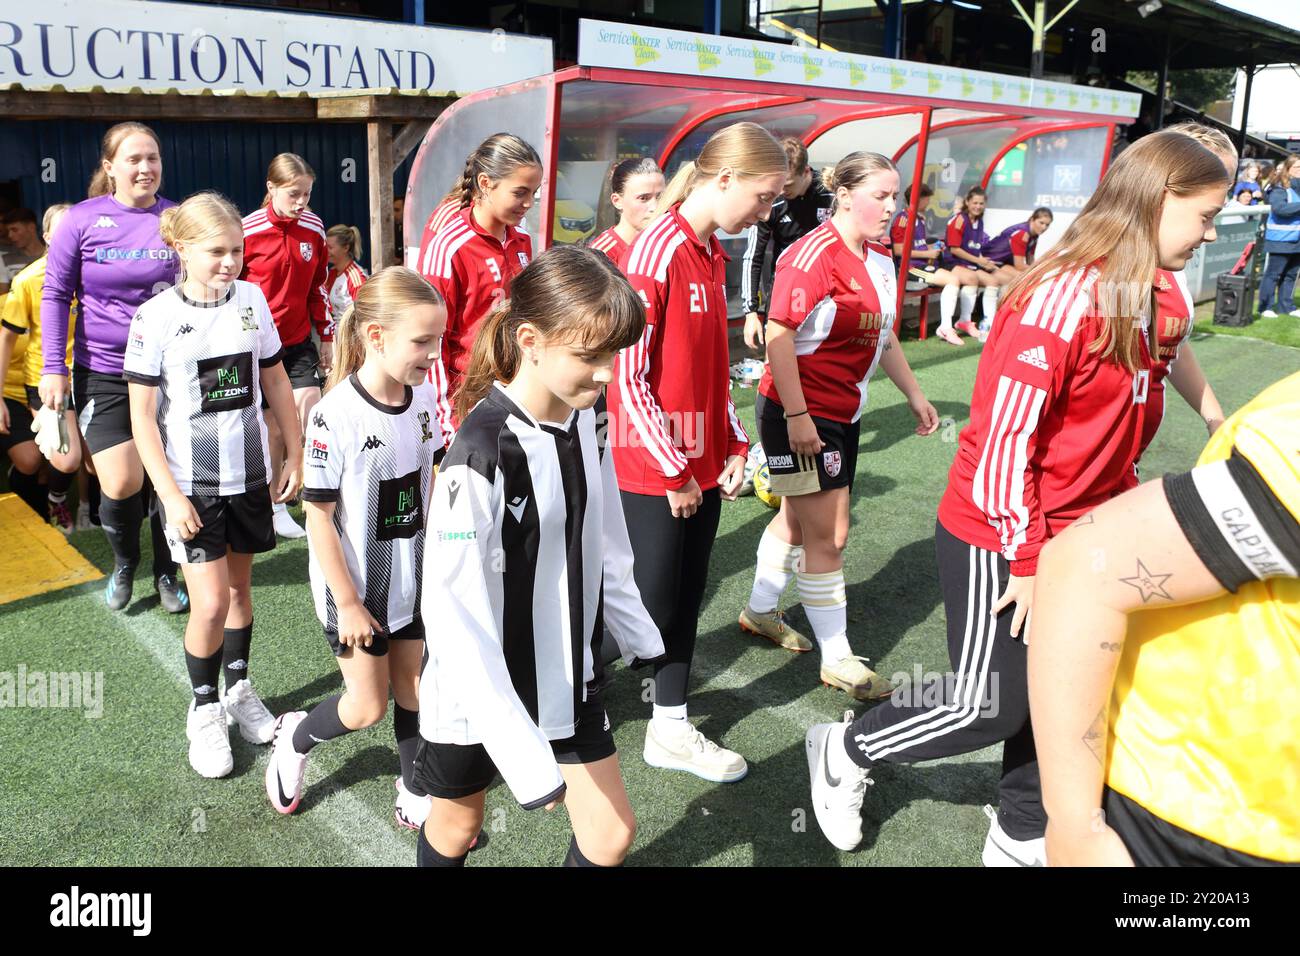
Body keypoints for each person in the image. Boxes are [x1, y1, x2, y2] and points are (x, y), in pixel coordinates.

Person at [803, 131, 1231, 861]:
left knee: (1065, 691)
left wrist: (1215, 416)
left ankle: (1022, 827)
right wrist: (1029, 559)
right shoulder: (1064, 293)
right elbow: (1006, 440)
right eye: (1206, 215)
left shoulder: (1151, 282)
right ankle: (847, 748)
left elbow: (1169, 343)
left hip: (1084, 528)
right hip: (999, 526)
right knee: (987, 702)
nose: (1213, 232)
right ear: (1161, 202)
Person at [413, 245, 665, 867]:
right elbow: (453, 614)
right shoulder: (478, 452)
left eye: (614, 354)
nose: (608, 373)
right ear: (530, 339)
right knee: (457, 827)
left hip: (568, 673)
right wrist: (523, 755)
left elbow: (603, 534)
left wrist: (637, 631)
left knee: (609, 835)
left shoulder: (587, 417)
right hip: (478, 693)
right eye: (590, 355)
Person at [1030, 370, 1299, 866]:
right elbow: (1086, 567)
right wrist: (1074, 826)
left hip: (1253, 816)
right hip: (1199, 818)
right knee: (983, 707)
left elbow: (1175, 345)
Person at [608, 121, 786, 783]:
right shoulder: (658, 251)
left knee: (681, 601)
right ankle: (535, 700)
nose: (765, 213)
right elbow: (627, 378)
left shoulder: (712, 253)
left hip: (699, 467)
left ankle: (670, 728)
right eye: (763, 197)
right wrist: (676, 468)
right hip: (655, 467)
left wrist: (734, 441)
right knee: (641, 612)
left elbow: (712, 371)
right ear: (725, 178)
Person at [743, 152, 940, 698]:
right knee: (829, 535)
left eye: (896, 196)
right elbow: (779, 335)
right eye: (882, 195)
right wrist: (800, 416)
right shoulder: (810, 255)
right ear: (846, 194)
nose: (892, 207)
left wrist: (914, 393)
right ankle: (837, 657)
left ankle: (759, 612)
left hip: (841, 411)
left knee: (801, 521)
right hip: (796, 412)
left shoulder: (877, 258)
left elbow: (884, 335)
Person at [123, 192, 302, 777]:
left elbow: (274, 379)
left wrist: (294, 450)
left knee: (242, 593)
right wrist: (171, 497)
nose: (230, 262)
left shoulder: (252, 300)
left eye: (237, 250)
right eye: (216, 252)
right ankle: (202, 711)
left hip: (247, 478)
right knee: (210, 601)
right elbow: (143, 418)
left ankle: (239, 689)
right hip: (192, 487)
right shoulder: (155, 317)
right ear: (180, 248)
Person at [266, 267, 446, 830]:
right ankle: (296, 737)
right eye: (422, 341)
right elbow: (317, 514)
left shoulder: (425, 398)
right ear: (376, 336)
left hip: (413, 582)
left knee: (416, 688)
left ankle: (414, 784)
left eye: (438, 339)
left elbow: (429, 478)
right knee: (366, 708)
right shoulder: (334, 414)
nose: (433, 354)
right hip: (357, 589)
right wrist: (347, 602)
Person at [39, 121, 189, 614]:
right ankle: (126, 562)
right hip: (102, 369)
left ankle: (167, 569)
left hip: (169, 370)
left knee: (168, 474)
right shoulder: (80, 222)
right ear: (110, 167)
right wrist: (53, 369)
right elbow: (57, 294)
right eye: (133, 159)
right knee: (122, 482)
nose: (146, 168)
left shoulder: (177, 219)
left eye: (153, 158)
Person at [417, 133, 541, 441]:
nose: (528, 203)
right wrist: (446, 425)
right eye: (520, 192)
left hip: (517, 391)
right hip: (467, 402)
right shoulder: (449, 246)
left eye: (534, 193)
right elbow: (431, 340)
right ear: (485, 184)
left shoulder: (521, 238)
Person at [240, 152, 330, 540]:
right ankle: (273, 503)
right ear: (271, 188)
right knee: (271, 426)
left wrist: (326, 334)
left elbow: (318, 287)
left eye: (307, 194)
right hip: (255, 345)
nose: (301, 202)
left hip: (296, 340)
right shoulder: (247, 230)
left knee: (304, 411)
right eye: (294, 194)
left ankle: (298, 494)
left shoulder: (314, 228)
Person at [0, 203, 83, 531]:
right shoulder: (29, 279)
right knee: (63, 458)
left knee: (95, 464)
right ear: (47, 236)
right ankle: (53, 503)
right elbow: (7, 339)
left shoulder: (94, 274)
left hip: (91, 376)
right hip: (44, 381)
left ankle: (93, 512)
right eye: (62, 232)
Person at [741, 136, 834, 350]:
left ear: (806, 171)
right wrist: (751, 311)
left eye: (788, 184)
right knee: (776, 357)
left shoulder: (831, 194)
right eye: (779, 183)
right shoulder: (772, 202)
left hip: (828, 289)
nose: (782, 191)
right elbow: (753, 255)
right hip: (785, 288)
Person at [893, 183, 981, 346]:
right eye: (927, 200)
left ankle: (960, 322)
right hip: (911, 269)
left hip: (922, 265)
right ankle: (945, 327)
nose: (928, 204)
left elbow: (917, 245)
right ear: (918, 200)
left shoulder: (918, 218)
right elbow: (899, 250)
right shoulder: (903, 219)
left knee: (964, 279)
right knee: (952, 280)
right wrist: (927, 253)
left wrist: (931, 248)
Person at [942, 186, 1001, 340]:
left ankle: (989, 323)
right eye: (975, 202)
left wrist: (985, 262)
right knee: (972, 278)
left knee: (993, 281)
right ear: (967, 202)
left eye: (981, 203)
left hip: (969, 264)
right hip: (952, 263)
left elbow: (974, 248)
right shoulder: (959, 220)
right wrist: (979, 261)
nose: (978, 206)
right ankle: (964, 320)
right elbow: (954, 249)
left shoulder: (979, 221)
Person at [587, 158, 665, 265]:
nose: (655, 207)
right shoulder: (600, 256)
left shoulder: (666, 246)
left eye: (661, 197)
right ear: (617, 201)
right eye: (643, 198)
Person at [1259, 154, 1300, 319]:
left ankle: (1286, 306)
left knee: (1291, 275)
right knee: (1273, 274)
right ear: (1288, 169)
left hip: (1297, 240)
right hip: (1280, 239)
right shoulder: (1279, 187)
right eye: (1297, 167)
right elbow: (1279, 208)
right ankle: (1265, 306)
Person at [983, 207, 1053, 279]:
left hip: (1002, 262)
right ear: (1032, 219)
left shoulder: (1034, 235)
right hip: (989, 261)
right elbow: (1019, 266)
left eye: (1047, 225)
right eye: (1041, 223)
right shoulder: (1022, 234)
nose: (1044, 227)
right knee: (1023, 278)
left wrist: (1043, 270)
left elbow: (1030, 260)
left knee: (1031, 277)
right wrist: (1042, 272)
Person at [323, 224, 369, 326]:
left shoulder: (356, 276)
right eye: (325, 246)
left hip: (350, 337)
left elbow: (365, 314)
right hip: (336, 335)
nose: (326, 251)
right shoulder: (332, 273)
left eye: (330, 247)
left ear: (346, 248)